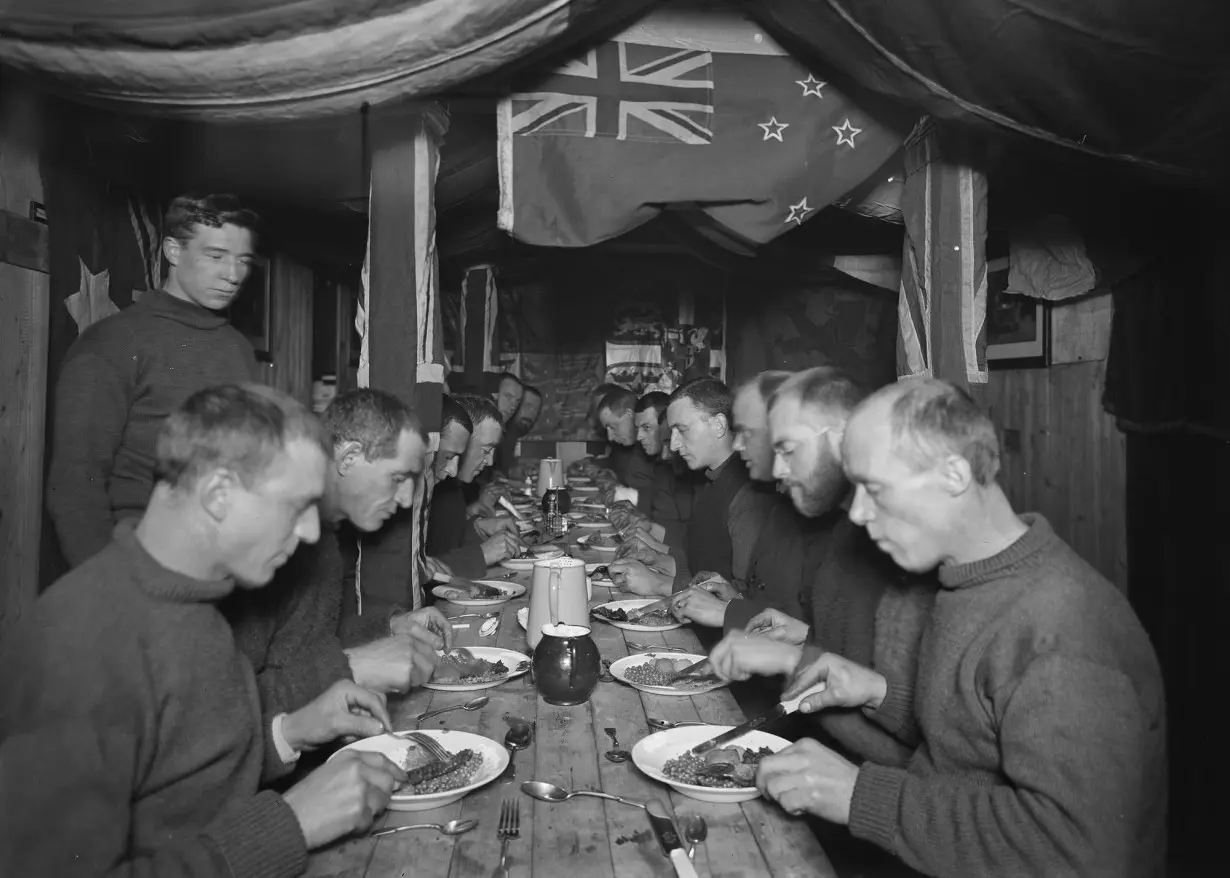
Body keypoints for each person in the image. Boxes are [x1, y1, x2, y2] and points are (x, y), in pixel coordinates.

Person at [717, 378, 1168, 878]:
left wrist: (859, 796)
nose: (860, 514)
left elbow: (1075, 852)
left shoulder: (1064, 627)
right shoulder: (966, 582)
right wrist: (879, 693)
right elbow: (976, 741)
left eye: (875, 488)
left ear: (953, 474)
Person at [1, 384, 408, 876]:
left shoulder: (196, 602)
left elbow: (182, 783)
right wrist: (291, 823)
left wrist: (290, 731)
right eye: (297, 507)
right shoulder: (81, 644)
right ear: (217, 494)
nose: (311, 533)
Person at [47, 193, 262, 568]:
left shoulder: (239, 349)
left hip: (221, 568)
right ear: (172, 251)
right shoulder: (112, 343)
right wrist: (110, 587)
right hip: (137, 567)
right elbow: (76, 485)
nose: (232, 275)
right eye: (215, 256)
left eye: (242, 261)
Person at [224, 388, 451, 714]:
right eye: (398, 478)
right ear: (349, 458)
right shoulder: (270, 542)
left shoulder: (328, 535)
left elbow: (308, 643)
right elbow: (222, 711)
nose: (404, 499)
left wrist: (390, 626)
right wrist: (351, 665)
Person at [609, 378, 772, 599]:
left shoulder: (746, 496)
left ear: (719, 425)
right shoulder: (709, 479)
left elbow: (742, 595)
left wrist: (658, 584)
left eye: (681, 430)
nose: (674, 445)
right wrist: (658, 559)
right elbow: (704, 566)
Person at [427, 394, 521, 577]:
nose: (491, 461)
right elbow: (419, 573)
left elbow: (445, 546)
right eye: (486, 450)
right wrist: (482, 554)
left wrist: (475, 527)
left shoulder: (451, 490)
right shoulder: (430, 488)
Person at [493, 383, 543, 478]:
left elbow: (500, 462)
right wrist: (510, 472)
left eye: (536, 410)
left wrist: (521, 461)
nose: (531, 413)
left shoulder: (511, 433)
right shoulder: (496, 429)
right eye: (528, 406)